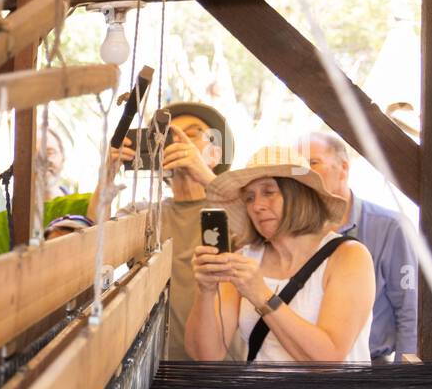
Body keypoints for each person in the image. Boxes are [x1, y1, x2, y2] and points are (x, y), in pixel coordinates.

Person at [186, 146, 375, 363]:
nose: (257, 206)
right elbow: (206, 355)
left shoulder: (348, 256)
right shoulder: (245, 258)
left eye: (269, 192)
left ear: (298, 194)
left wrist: (262, 296)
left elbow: (329, 359)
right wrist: (206, 291)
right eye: (249, 197)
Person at [91, 101, 236, 360]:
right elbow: (95, 247)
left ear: (215, 155)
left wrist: (203, 174)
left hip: (221, 375)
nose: (178, 143)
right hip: (155, 375)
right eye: (167, 137)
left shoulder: (233, 208)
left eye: (191, 135)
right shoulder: (144, 215)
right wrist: (106, 178)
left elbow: (253, 227)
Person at [300, 132, 417, 362]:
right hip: (309, 369)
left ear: (343, 167)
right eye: (298, 165)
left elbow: (410, 310)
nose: (304, 173)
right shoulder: (296, 233)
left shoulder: (390, 228)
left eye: (313, 162)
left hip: (372, 371)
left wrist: (405, 385)